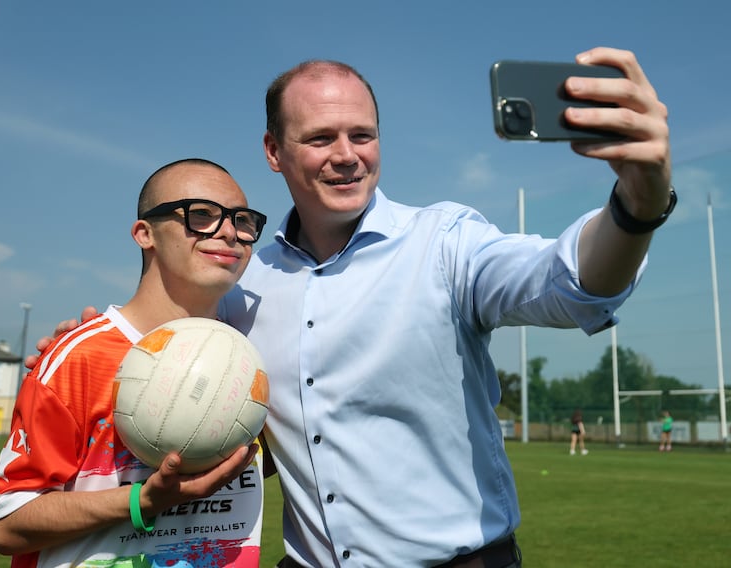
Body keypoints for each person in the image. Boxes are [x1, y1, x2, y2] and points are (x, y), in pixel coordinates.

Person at [38, 47, 673, 567]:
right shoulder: (241, 287)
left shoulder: (445, 242)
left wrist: (637, 207)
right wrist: (95, 343)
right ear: (273, 152)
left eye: (362, 134)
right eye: (320, 137)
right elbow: (174, 356)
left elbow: (569, 282)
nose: (347, 154)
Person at [0, 159, 268, 567]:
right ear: (144, 233)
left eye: (242, 221)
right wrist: (143, 500)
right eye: (201, 215)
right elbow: (7, 523)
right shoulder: (79, 357)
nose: (229, 232)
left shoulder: (251, 357)